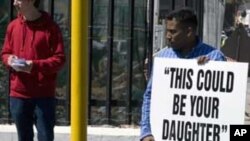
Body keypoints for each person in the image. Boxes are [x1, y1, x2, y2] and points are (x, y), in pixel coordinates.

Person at [140, 8, 225, 141]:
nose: (168, 36)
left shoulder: (214, 57)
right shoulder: (163, 58)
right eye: (167, 31)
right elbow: (150, 96)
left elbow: (223, 101)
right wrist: (146, 132)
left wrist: (208, 70)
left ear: (189, 32)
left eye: (173, 31)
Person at [1, 0, 65, 141]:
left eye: (18, 0)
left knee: (46, 137)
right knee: (23, 138)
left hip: (43, 95)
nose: (14, 3)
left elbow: (59, 59)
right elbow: (5, 53)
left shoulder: (51, 28)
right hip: (18, 94)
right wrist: (9, 59)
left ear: (31, 1)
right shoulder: (13, 26)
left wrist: (34, 65)